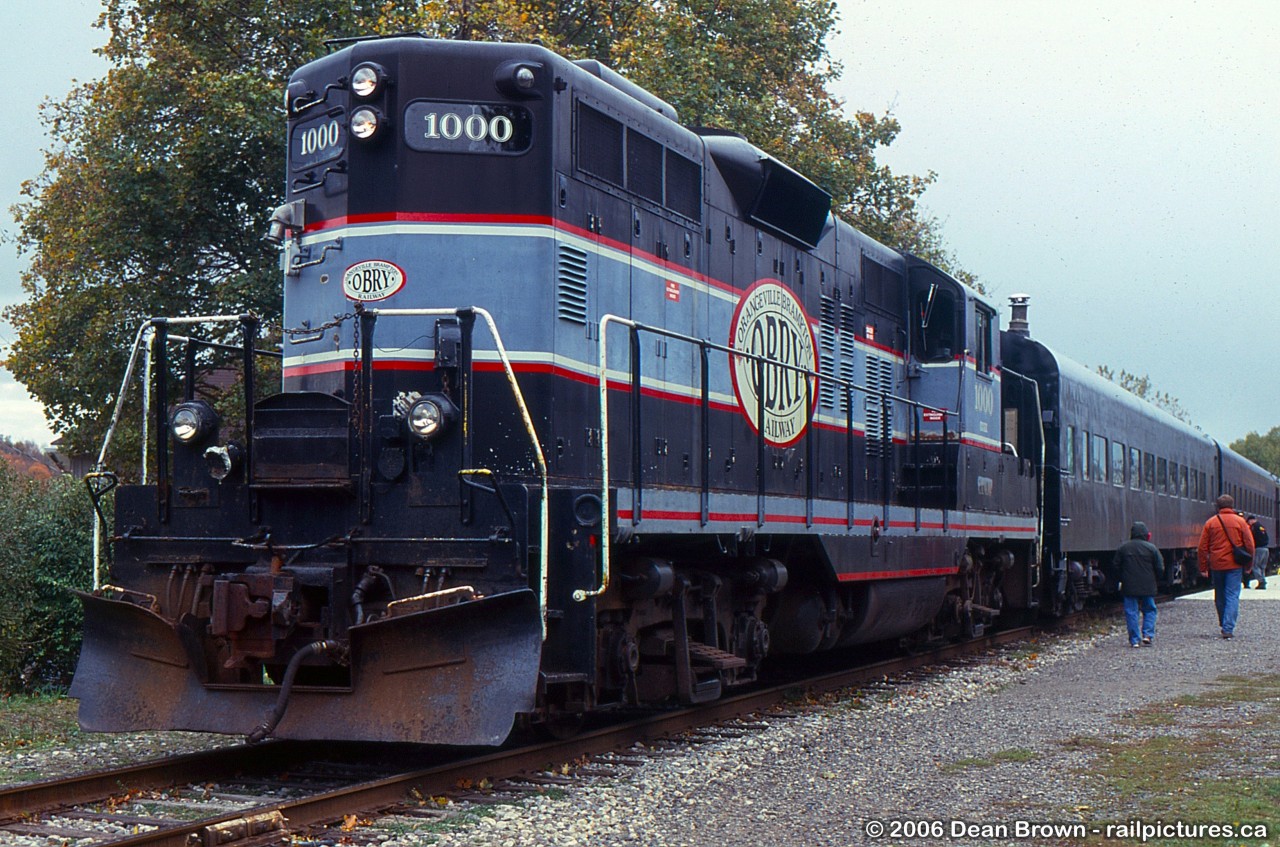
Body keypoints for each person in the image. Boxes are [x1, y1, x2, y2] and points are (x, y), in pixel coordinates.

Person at [1197, 494, 1254, 638]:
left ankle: (1224, 622)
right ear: (1232, 505)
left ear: (1218, 506)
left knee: (1220, 595)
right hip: (1235, 565)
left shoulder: (1211, 523)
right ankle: (1228, 627)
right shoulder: (1240, 522)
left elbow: (1202, 547)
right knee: (1232, 595)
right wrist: (1249, 565)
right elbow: (1250, 545)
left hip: (1216, 565)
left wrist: (1203, 567)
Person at [1111, 521, 1165, 647]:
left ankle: (1135, 640)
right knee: (1150, 610)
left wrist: (1122, 578)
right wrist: (1156, 579)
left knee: (1131, 612)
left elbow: (1115, 566)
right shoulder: (1152, 548)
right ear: (1146, 535)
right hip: (1148, 585)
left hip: (1129, 585)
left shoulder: (1123, 548)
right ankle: (1147, 635)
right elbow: (1160, 567)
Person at [1245, 515, 1269, 589]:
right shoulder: (1261, 527)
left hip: (1258, 549)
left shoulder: (1254, 527)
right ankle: (1263, 580)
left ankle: (1261, 581)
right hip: (1265, 549)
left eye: (1248, 522)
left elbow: (1252, 538)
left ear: (1251, 520)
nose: (1249, 524)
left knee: (1255, 566)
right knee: (1262, 567)